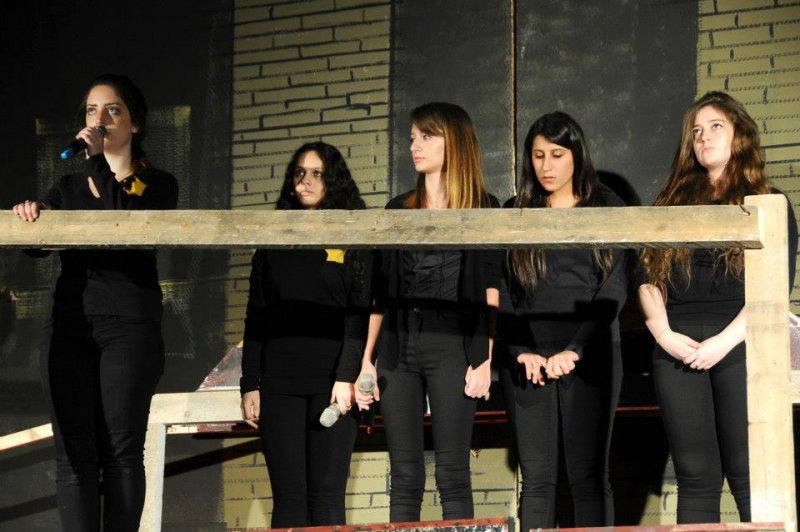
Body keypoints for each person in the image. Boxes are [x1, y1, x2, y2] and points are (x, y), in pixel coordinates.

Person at [11, 74, 178, 532]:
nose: (99, 119)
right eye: (91, 111)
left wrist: (95, 161)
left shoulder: (158, 183)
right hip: (71, 322)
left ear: (135, 123)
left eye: (112, 110)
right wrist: (32, 214)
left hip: (128, 324)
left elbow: (120, 219)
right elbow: (35, 247)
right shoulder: (69, 185)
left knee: (121, 452)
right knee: (73, 454)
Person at [638, 91, 798, 523]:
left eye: (715, 127)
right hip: (677, 346)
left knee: (748, 473)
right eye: (696, 131)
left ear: (739, 135)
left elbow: (773, 289)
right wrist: (664, 335)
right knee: (695, 476)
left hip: (742, 342)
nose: (703, 138)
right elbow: (646, 277)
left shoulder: (769, 202)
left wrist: (723, 343)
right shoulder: (669, 204)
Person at [354, 102, 501, 522]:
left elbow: (491, 290)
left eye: (426, 136)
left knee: (452, 473)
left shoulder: (483, 207)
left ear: (453, 140)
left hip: (452, 341)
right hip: (399, 342)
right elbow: (380, 294)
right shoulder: (398, 209)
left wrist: (485, 358)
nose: (414, 146)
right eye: (412, 138)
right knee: (404, 474)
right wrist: (367, 359)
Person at [497, 111, 628, 530]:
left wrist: (576, 349)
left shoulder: (606, 204)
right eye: (538, 156)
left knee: (588, 476)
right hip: (528, 353)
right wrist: (521, 351)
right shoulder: (515, 211)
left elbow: (614, 285)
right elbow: (503, 292)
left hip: (590, 345)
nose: (546, 166)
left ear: (576, 155)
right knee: (537, 480)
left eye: (556, 155)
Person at [239, 142, 372, 528]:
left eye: (316, 174)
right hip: (279, 384)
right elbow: (257, 317)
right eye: (299, 173)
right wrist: (250, 384)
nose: (305, 181)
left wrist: (346, 376)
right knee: (289, 498)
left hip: (332, 383)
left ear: (333, 180)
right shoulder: (274, 240)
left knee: (326, 497)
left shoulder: (352, 235)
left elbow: (358, 314)